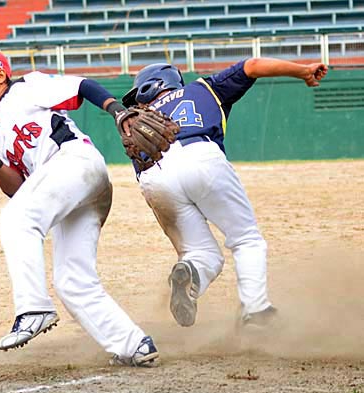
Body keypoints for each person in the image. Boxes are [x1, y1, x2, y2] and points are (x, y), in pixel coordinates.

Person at [0, 46, 158, 366]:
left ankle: (33, 308)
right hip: (73, 189)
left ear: (0, 75)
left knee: (15, 222)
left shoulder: (24, 89)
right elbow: (18, 191)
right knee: (71, 281)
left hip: (74, 163)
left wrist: (115, 109)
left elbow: (81, 85)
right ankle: (133, 345)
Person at [120, 58, 328, 328]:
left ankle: (192, 269)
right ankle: (256, 311)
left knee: (198, 252)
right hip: (200, 155)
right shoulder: (204, 88)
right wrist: (303, 72)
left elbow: (147, 184)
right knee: (246, 239)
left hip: (153, 176)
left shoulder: (137, 125)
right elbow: (252, 65)